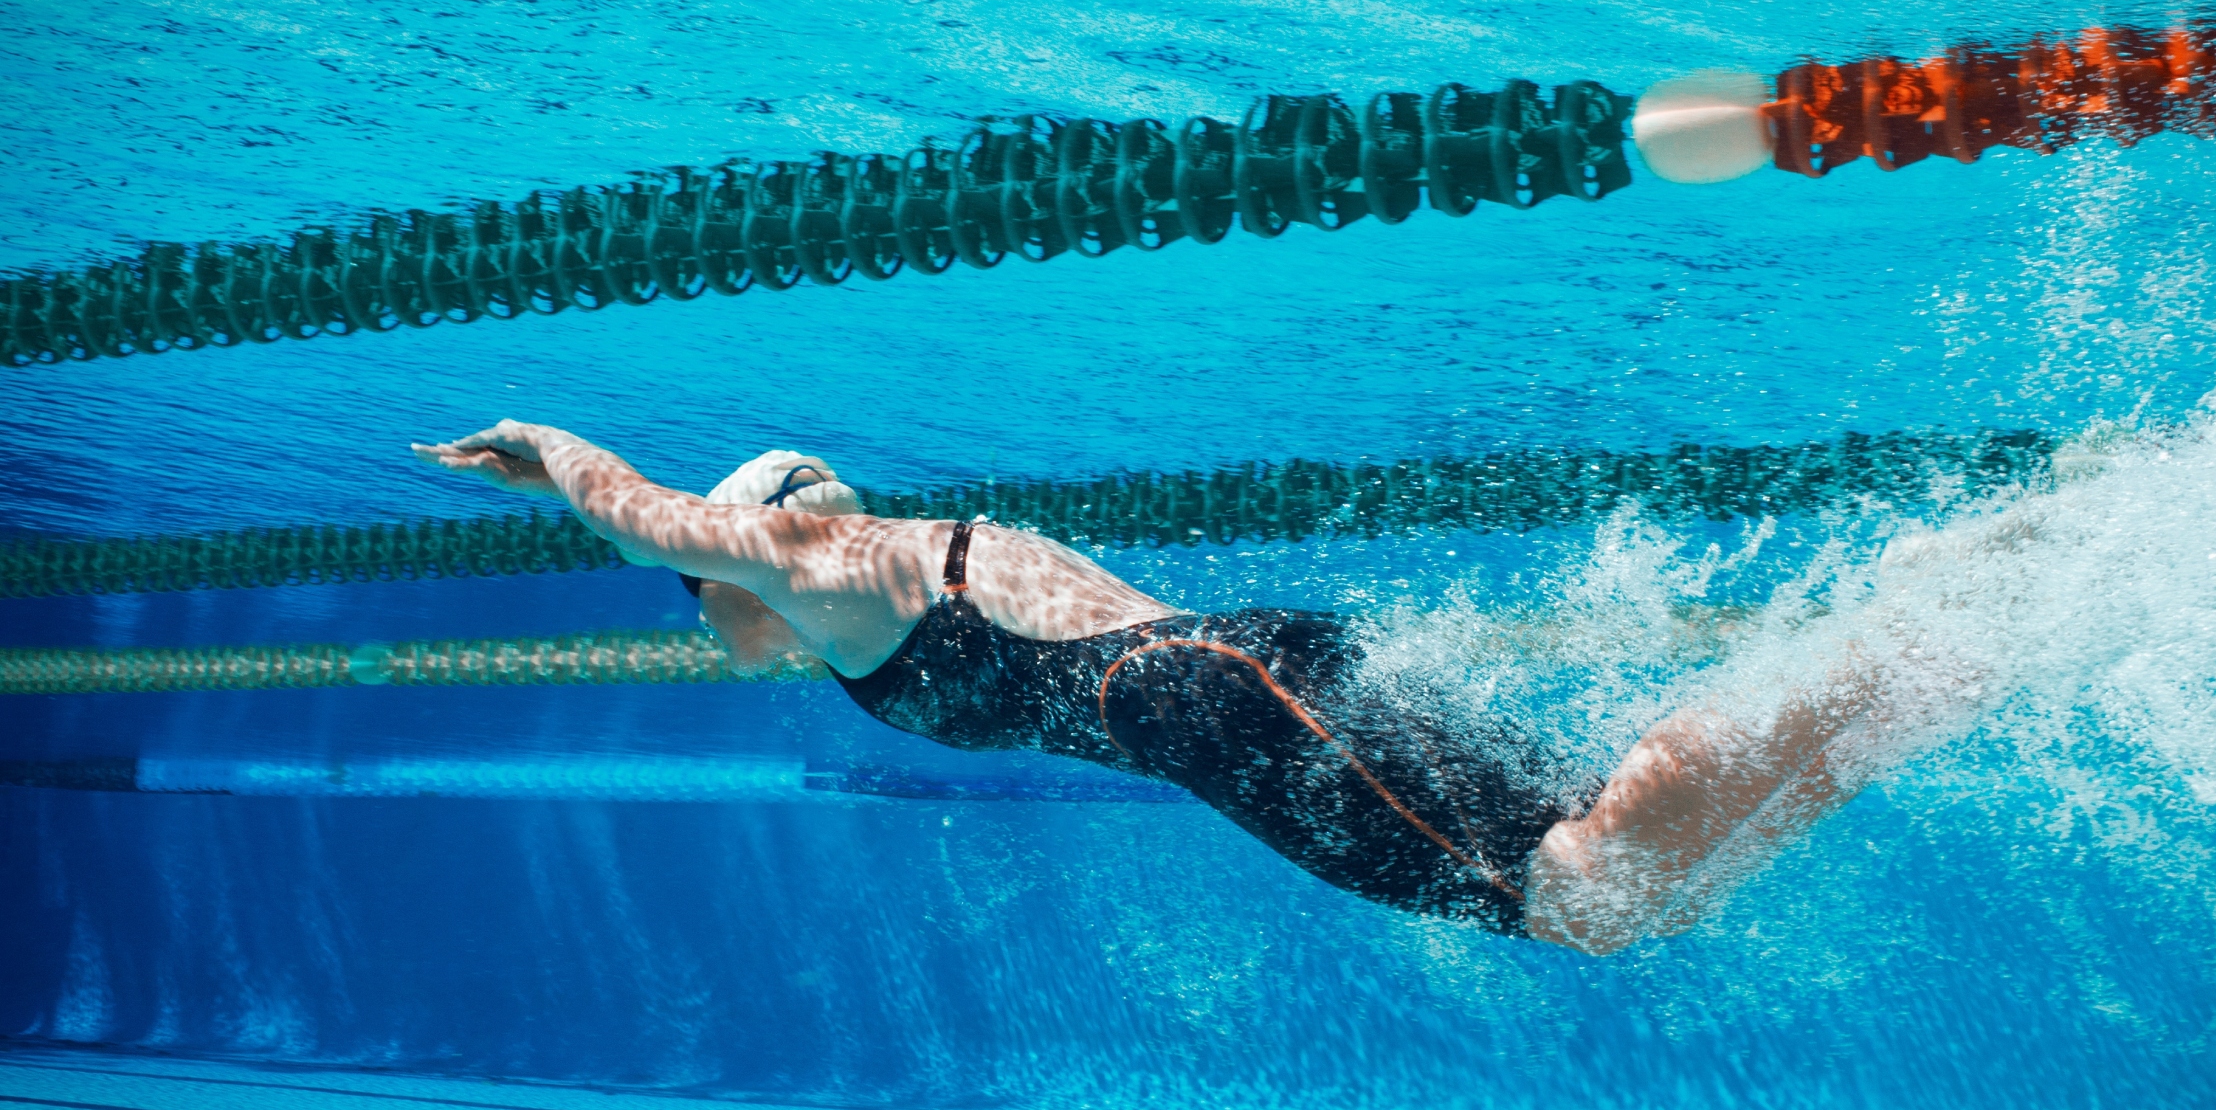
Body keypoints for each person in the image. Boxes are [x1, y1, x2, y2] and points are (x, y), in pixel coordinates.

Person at [415, 421, 1894, 956]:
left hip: (1215, 701)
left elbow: (641, 508)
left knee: (1583, 886)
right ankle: (1915, 668)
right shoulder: (898, 562)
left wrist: (545, 449)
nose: (702, 618)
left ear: (739, 561)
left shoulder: (819, 560)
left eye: (700, 593)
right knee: (1628, 887)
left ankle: (1880, 640)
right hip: (1237, 680)